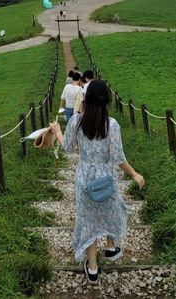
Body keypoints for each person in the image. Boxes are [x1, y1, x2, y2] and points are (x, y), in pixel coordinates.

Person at [50, 80, 145, 284]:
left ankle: (92, 269)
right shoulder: (112, 125)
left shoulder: (76, 121)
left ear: (86, 98)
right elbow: (118, 158)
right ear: (106, 101)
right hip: (105, 178)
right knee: (114, 209)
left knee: (88, 221)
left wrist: (57, 131)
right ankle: (111, 247)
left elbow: (67, 148)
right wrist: (135, 174)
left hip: (84, 179)